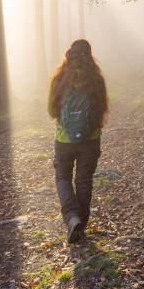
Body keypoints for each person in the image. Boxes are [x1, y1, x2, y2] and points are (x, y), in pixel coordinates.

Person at [47, 39, 108, 243]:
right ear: (89, 56)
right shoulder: (96, 79)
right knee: (83, 180)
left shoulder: (59, 79)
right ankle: (81, 224)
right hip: (90, 140)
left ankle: (72, 218)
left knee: (63, 177)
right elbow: (101, 110)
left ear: (69, 55)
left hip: (64, 140)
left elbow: (51, 110)